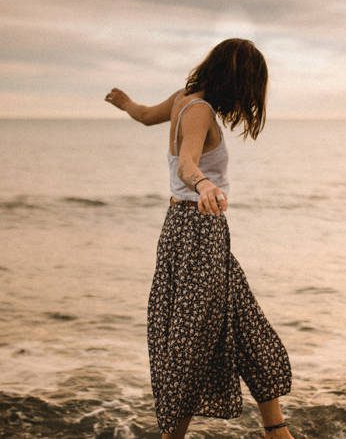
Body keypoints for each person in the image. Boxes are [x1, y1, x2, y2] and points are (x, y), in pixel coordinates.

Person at [104, 38, 294, 439]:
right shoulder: (201, 111)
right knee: (195, 336)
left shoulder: (181, 98)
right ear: (235, 80)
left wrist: (123, 102)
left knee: (244, 322)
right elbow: (189, 161)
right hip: (198, 228)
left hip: (184, 227)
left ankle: (276, 430)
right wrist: (205, 184)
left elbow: (142, 115)